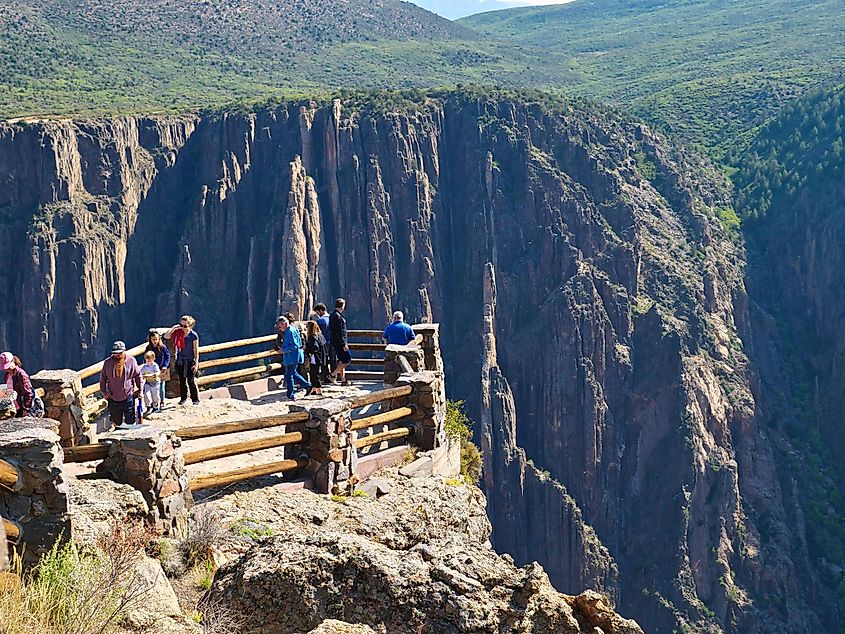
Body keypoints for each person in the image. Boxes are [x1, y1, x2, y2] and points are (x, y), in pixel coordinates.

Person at [99, 341, 142, 430]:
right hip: (113, 397)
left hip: (128, 395)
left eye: (119, 353)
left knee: (130, 422)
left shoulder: (131, 361)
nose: (117, 355)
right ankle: (118, 442)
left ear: (124, 351)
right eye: (115, 353)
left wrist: (140, 391)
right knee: (116, 423)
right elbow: (103, 378)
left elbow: (138, 376)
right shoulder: (108, 363)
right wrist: (104, 392)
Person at [277, 316, 311, 400]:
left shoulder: (289, 332)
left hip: (292, 357)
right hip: (294, 356)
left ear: (284, 323)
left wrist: (283, 351)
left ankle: (303, 388)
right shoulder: (293, 329)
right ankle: (301, 389)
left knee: (289, 376)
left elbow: (295, 345)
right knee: (293, 374)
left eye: (279, 325)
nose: (279, 327)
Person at [1, 352, 43, 418]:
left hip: (22, 408)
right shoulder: (7, 375)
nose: (6, 368)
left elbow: (28, 393)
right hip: (14, 407)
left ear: (13, 361)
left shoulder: (21, 374)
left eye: (7, 365)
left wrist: (26, 409)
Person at [174, 315, 200, 405]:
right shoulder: (178, 333)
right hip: (180, 360)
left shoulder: (193, 336)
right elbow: (167, 336)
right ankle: (183, 398)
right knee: (182, 380)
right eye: (181, 325)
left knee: (191, 380)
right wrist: (174, 328)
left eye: (185, 326)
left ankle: (195, 399)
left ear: (190, 325)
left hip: (190, 360)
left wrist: (196, 363)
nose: (183, 328)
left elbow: (196, 350)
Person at [145, 330, 171, 408]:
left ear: (159, 339)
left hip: (161, 369)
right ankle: (154, 402)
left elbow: (167, 356)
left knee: (161, 387)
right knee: (153, 387)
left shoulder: (162, 347)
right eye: (153, 339)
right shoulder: (148, 348)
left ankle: (162, 402)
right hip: (152, 370)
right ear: (150, 340)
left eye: (156, 339)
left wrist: (165, 366)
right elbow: (146, 358)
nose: (154, 341)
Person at [329, 297, 351, 386]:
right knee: (347, 359)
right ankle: (332, 375)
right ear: (342, 305)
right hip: (339, 343)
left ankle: (343, 380)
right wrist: (344, 344)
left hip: (335, 342)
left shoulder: (333, 315)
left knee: (342, 361)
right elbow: (339, 332)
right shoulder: (337, 316)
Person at [304, 320, 328, 397]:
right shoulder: (320, 335)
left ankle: (319, 390)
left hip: (315, 357)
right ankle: (314, 389)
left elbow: (315, 348)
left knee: (314, 373)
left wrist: (306, 349)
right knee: (314, 372)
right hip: (321, 357)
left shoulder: (312, 337)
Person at [313, 303, 333, 383]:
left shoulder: (320, 320)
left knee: (323, 361)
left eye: (317, 312)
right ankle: (333, 376)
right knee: (333, 360)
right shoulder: (331, 318)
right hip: (332, 341)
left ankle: (326, 377)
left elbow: (317, 333)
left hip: (323, 343)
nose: (317, 314)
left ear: (321, 311)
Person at [139, 350, 162, 416]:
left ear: (153, 359)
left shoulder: (155, 366)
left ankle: (155, 407)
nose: (148, 362)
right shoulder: (144, 367)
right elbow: (141, 374)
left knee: (155, 396)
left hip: (155, 383)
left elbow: (158, 372)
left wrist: (155, 374)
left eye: (150, 360)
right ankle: (148, 407)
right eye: (147, 360)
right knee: (147, 395)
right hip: (148, 383)